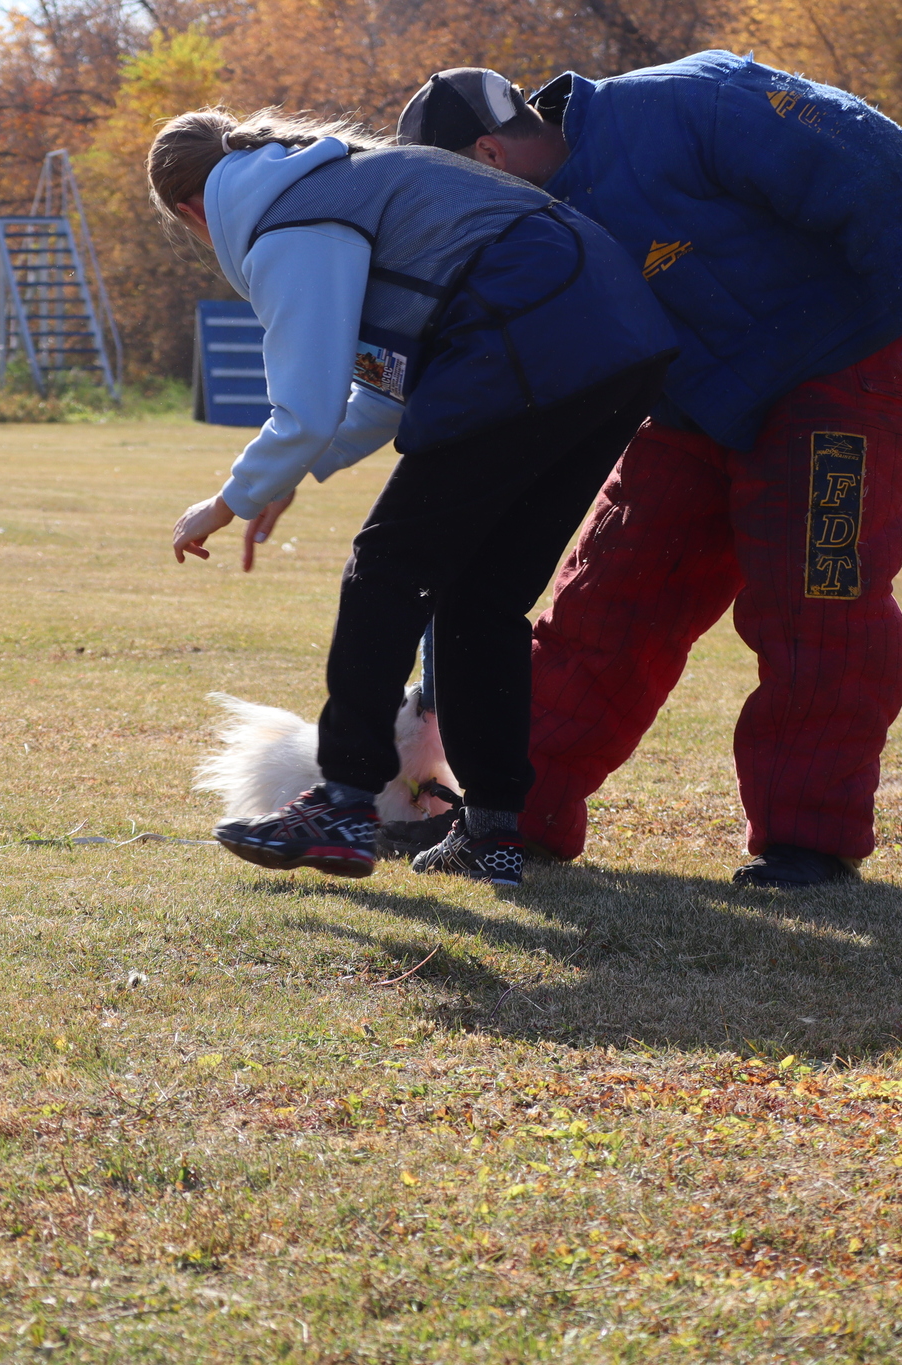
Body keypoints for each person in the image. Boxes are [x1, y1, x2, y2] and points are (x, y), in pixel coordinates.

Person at [397, 57, 902, 886]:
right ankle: (515, 816)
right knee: (608, 599)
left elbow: (865, 164)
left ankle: (809, 840)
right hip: (695, 403)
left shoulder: (684, 104)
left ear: (488, 157)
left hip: (836, 369)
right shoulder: (539, 226)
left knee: (816, 603)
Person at [153, 105, 674, 887]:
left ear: (193, 211)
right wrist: (289, 470)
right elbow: (384, 396)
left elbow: (306, 404)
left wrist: (227, 500)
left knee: (389, 566)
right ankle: (495, 828)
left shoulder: (282, 217)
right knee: (481, 594)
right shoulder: (336, 180)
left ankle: (343, 802)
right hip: (618, 341)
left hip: (530, 332)